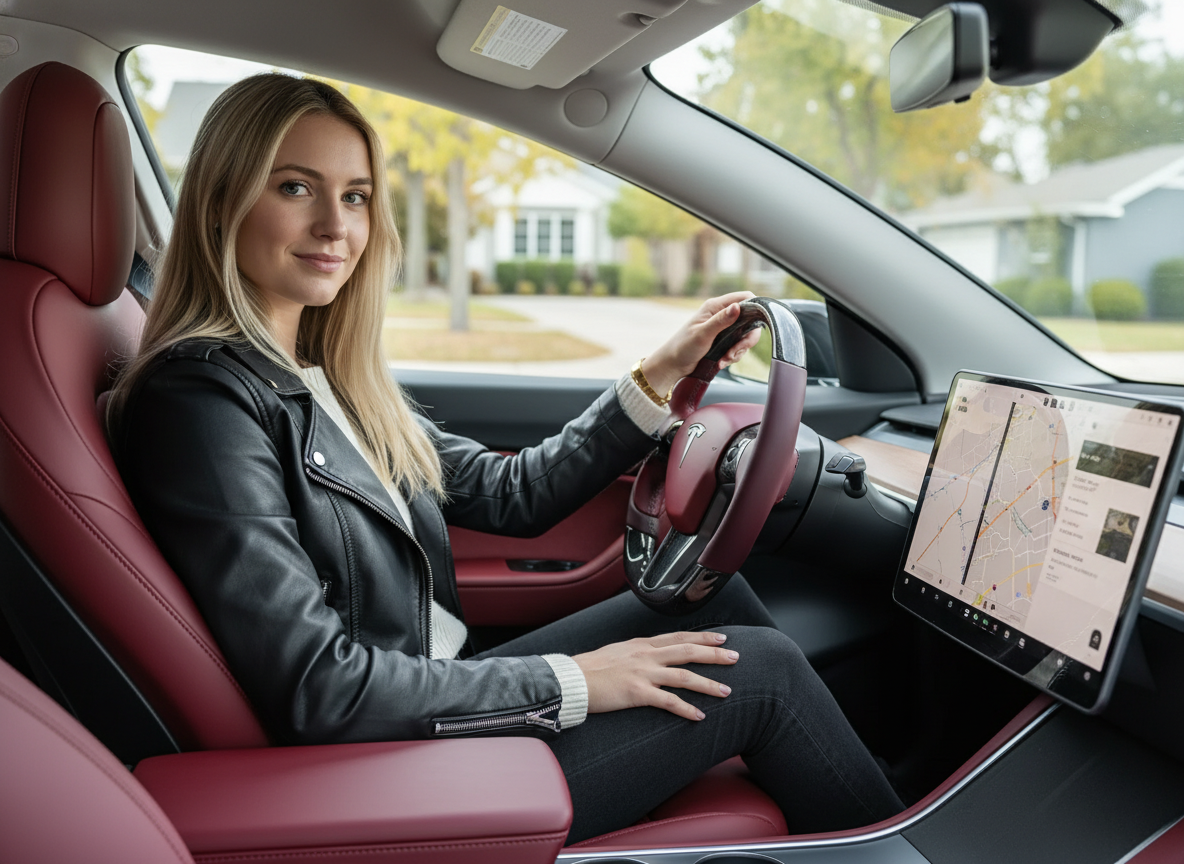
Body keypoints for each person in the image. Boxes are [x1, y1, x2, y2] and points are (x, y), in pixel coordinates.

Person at [109, 73, 902, 843]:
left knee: (713, 606)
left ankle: (848, 789)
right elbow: (320, 687)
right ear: (221, 200)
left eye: (355, 196)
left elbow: (510, 493)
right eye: (295, 188)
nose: (335, 226)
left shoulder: (321, 376)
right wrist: (577, 682)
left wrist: (660, 374)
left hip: (428, 695)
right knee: (761, 673)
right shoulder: (203, 401)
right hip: (379, 760)